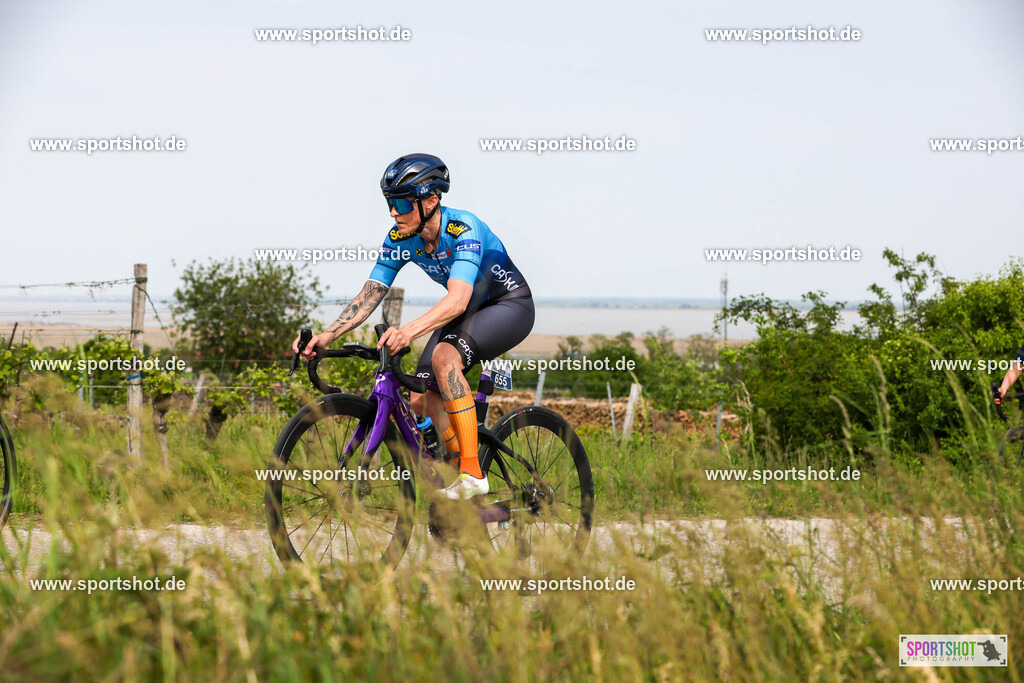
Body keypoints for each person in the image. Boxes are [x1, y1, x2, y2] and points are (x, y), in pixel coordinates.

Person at [293, 153, 534, 499]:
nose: (394, 212)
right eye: (390, 202)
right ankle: (456, 478)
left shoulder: (461, 228)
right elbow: (371, 293)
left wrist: (407, 332)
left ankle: (472, 472)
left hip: (508, 306)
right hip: (466, 313)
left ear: (431, 200)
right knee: (421, 396)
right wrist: (328, 334)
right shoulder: (400, 237)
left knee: (443, 361)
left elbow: (458, 300)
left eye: (403, 203)